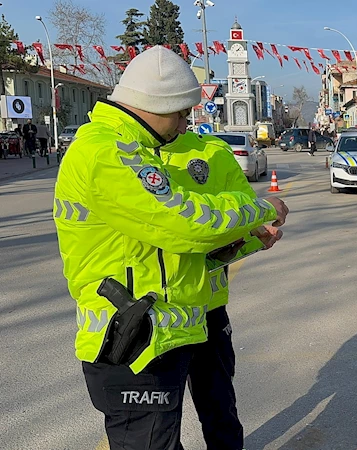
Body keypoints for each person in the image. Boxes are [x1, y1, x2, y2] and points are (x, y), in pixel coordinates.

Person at [53, 46, 289, 450]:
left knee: (183, 431)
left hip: (160, 328)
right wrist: (260, 208)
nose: (184, 127)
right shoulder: (107, 151)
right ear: (155, 103)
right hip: (133, 336)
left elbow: (179, 247)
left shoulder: (136, 148)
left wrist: (243, 240)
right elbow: (185, 224)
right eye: (180, 114)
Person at [161, 131, 263, 449]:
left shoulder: (211, 152)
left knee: (219, 405)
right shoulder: (130, 155)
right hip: (160, 318)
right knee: (158, 422)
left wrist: (256, 231)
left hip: (209, 308)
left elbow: (245, 213)